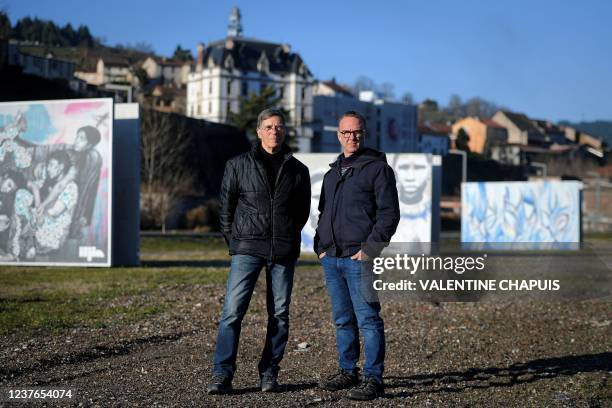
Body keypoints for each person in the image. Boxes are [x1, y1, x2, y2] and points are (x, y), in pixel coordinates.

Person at [207, 108, 311, 394]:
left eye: (278, 126)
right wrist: (236, 242)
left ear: (284, 131)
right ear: (259, 131)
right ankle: (222, 374)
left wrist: (287, 235)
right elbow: (225, 209)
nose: (274, 131)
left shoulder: (298, 170)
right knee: (232, 313)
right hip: (247, 249)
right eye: (268, 126)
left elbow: (301, 212)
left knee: (279, 314)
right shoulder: (238, 165)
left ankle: (269, 372)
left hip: (283, 251)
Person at [314, 111, 400, 401]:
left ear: (364, 135)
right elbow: (324, 212)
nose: (352, 137)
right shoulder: (331, 172)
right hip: (332, 257)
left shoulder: (377, 170)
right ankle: (347, 371)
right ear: (338, 135)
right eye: (346, 132)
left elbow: (389, 214)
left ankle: (374, 379)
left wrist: (370, 249)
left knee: (368, 320)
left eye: (357, 132)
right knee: (342, 320)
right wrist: (320, 246)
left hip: (358, 258)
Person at [391, 154, 432, 242]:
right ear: (395, 171)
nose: (410, 177)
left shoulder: (431, 212)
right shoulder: (383, 208)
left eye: (419, 168)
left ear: (429, 172)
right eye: (404, 167)